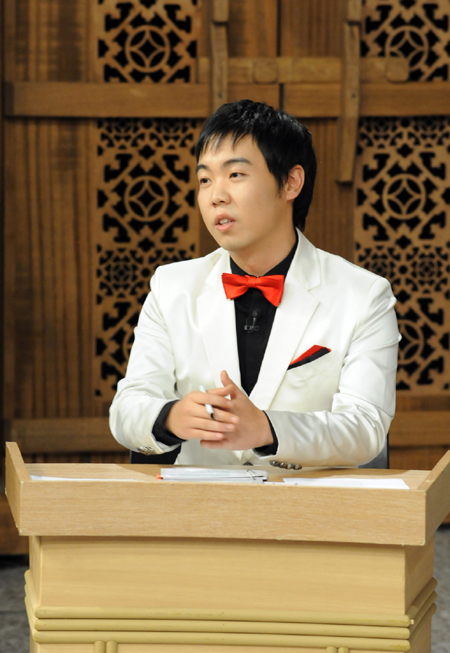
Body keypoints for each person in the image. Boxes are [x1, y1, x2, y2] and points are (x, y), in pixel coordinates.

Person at [109, 99, 400, 468]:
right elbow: (127, 408)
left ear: (291, 182)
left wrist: (268, 429)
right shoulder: (172, 287)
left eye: (235, 175)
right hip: (196, 502)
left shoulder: (363, 295)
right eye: (205, 179)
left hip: (307, 502)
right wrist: (169, 417)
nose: (216, 196)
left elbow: (365, 426)